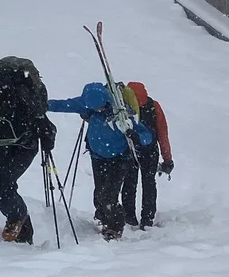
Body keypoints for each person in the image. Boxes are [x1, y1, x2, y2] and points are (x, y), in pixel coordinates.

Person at [47, 81, 154, 240]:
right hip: (97, 157)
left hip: (120, 158)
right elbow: (65, 105)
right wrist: (43, 105)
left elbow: (147, 136)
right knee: (99, 193)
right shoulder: (88, 102)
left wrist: (137, 137)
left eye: (101, 108)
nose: (98, 111)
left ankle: (115, 226)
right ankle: (104, 218)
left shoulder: (122, 112)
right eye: (94, 109)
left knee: (109, 195)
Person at [0, 56, 56, 244]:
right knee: (3, 186)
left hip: (24, 145)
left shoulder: (21, 93)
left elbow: (42, 120)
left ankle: (16, 218)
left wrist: (45, 137)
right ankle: (23, 233)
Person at [120, 82, 173, 228]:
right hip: (150, 151)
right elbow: (162, 133)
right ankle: (147, 218)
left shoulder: (123, 107)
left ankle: (129, 217)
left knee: (129, 183)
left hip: (129, 150)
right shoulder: (153, 106)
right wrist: (167, 158)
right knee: (149, 183)